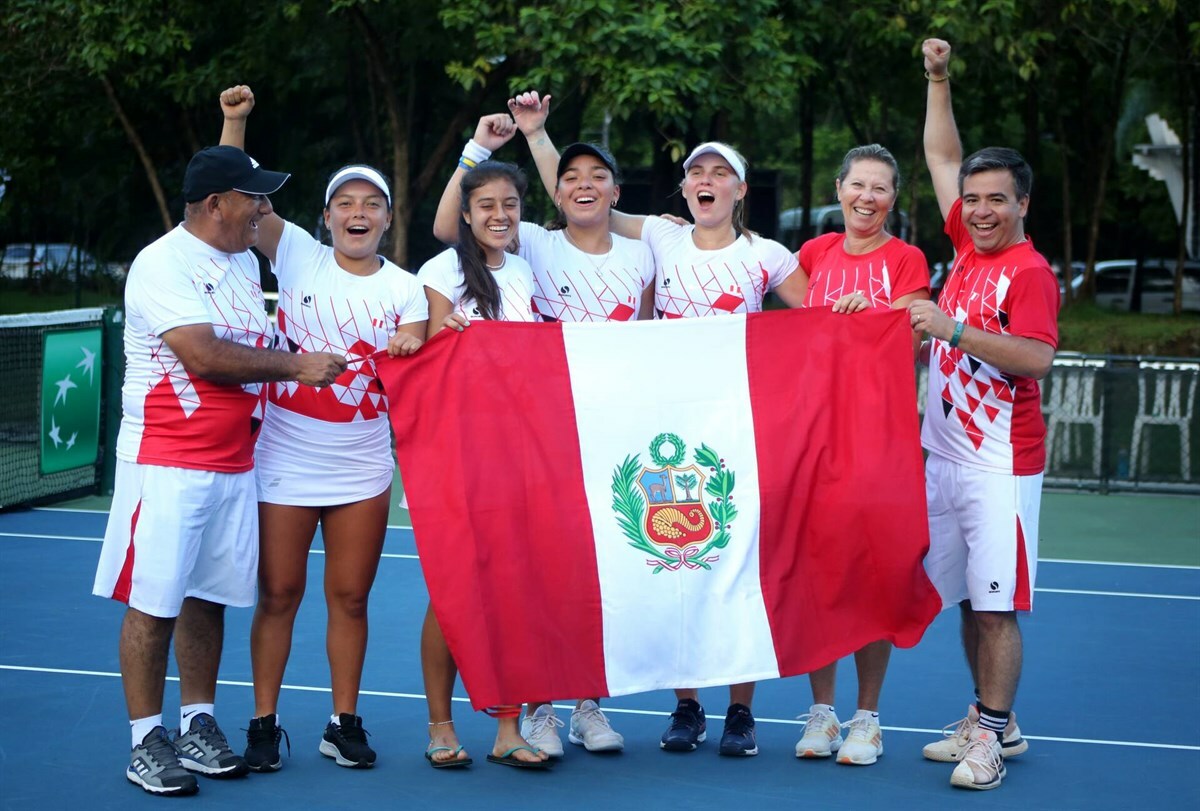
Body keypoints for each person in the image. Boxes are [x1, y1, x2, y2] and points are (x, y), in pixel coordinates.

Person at [518, 112, 869, 756]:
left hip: (733, 433)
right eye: (696, 173)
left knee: (731, 567)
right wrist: (538, 136)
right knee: (673, 562)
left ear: (739, 190)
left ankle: (740, 712)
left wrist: (850, 317)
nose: (707, 181)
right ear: (684, 191)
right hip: (661, 425)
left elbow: (818, 322)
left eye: (721, 173)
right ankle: (687, 709)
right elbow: (577, 197)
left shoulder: (766, 254)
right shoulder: (660, 237)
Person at [91, 144, 346, 796]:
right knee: (155, 603)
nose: (264, 208)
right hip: (167, 463)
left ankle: (197, 722)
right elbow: (202, 355)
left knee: (208, 598)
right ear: (215, 206)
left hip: (236, 464)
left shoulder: (237, 261)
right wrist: (298, 366)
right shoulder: (162, 262)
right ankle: (145, 738)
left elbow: (253, 338)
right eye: (253, 198)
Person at [431, 95, 656, 758]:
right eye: (571, 180)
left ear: (614, 190)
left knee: (581, 572)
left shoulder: (535, 268)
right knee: (500, 580)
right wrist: (498, 142)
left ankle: (584, 699)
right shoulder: (523, 248)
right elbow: (451, 224)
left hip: (583, 437)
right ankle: (538, 709)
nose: (500, 217)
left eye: (598, 179)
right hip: (493, 448)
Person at [216, 85, 427, 772]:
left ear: (387, 220)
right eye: (346, 203)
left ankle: (343, 721)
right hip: (285, 456)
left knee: (351, 595)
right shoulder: (298, 254)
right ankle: (262, 721)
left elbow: (421, 336)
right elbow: (233, 186)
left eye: (372, 204)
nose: (358, 213)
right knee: (278, 592)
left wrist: (412, 338)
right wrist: (236, 121)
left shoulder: (404, 286)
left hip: (363, 461)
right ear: (326, 217)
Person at [911, 38, 1059, 791]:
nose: (980, 209)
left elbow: (1037, 359)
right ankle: (988, 714)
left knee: (997, 609)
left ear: (1022, 203)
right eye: (974, 199)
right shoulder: (970, 245)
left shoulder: (1028, 271)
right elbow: (943, 156)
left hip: (1000, 464)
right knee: (969, 598)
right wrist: (938, 79)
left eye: (996, 198)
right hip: (947, 457)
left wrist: (953, 328)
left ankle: (993, 737)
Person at [792, 144, 931, 766]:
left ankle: (867, 719)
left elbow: (911, 328)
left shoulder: (906, 260)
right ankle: (821, 712)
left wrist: (867, 314)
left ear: (893, 199)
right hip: (815, 436)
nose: (867, 197)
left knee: (872, 575)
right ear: (840, 188)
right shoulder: (814, 254)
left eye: (880, 188)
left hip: (878, 439)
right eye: (858, 185)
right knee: (818, 574)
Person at [419, 157, 550, 769]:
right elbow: (424, 349)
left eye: (510, 205)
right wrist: (435, 336)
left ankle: (507, 728)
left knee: (513, 593)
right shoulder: (441, 269)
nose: (500, 216)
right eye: (487, 206)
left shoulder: (524, 271)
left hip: (518, 455)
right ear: (466, 215)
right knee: (452, 592)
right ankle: (441, 726)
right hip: (458, 455)